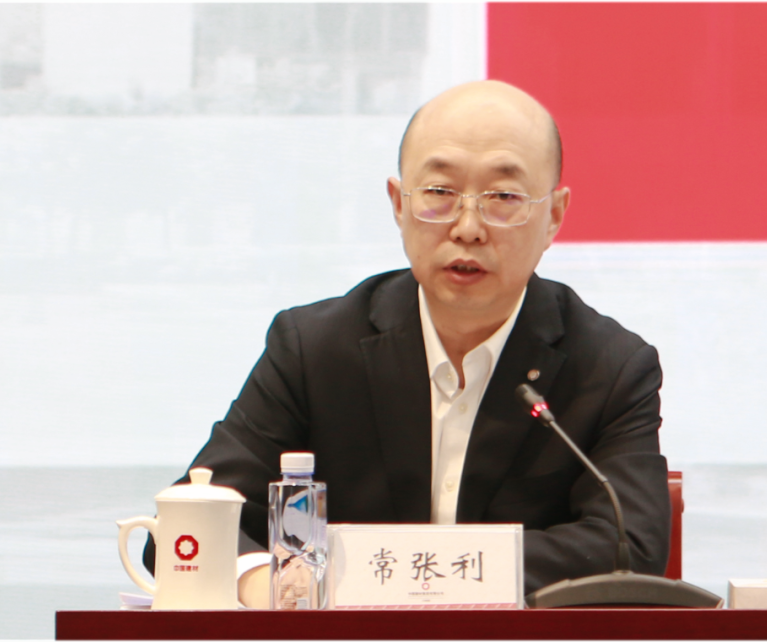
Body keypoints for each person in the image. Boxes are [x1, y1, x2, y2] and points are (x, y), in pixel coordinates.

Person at [144, 80, 671, 607]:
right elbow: (182, 533)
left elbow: (631, 546)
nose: (468, 228)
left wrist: (401, 575)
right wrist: (274, 583)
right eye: (440, 193)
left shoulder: (610, 367)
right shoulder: (314, 350)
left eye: (503, 198)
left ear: (553, 215)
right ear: (399, 203)